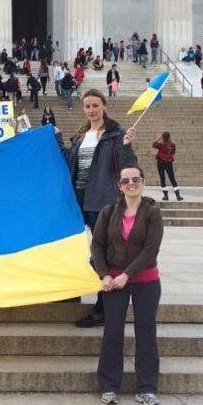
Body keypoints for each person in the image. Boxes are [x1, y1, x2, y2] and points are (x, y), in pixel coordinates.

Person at [63, 89, 138, 329]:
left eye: (95, 105)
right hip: (78, 198)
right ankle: (74, 288)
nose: (91, 110)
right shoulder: (81, 135)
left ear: (104, 105)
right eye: (87, 106)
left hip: (103, 199)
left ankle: (102, 306)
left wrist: (126, 146)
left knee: (102, 252)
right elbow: (68, 161)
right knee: (73, 247)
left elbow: (129, 167)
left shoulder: (116, 134)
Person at [92, 165, 164, 405]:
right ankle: (109, 385)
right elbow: (97, 246)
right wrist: (103, 274)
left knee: (146, 333)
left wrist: (128, 274)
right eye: (126, 181)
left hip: (145, 281)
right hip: (112, 282)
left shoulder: (152, 212)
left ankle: (147, 388)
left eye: (135, 179)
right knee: (112, 332)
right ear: (119, 186)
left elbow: (150, 249)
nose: (131, 184)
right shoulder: (109, 211)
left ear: (143, 182)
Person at [152, 132, 182, 201]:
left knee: (162, 179)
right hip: (169, 163)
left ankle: (165, 196)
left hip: (160, 163)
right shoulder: (172, 145)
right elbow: (173, 153)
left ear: (163, 137)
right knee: (172, 179)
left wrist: (158, 139)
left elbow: (154, 145)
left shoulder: (160, 145)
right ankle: (178, 195)